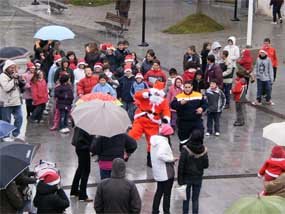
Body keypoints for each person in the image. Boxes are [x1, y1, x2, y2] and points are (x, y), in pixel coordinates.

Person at [129, 82, 171, 167]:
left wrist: (166, 118)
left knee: (152, 142)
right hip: (141, 118)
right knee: (132, 136)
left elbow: (166, 110)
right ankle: (126, 152)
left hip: (153, 122)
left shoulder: (163, 101)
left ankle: (150, 159)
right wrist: (146, 94)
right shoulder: (147, 93)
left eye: (158, 93)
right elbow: (137, 95)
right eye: (155, 92)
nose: (156, 95)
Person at [178, 129, 209, 214]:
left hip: (186, 178)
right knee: (195, 199)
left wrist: (180, 180)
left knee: (186, 200)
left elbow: (181, 166)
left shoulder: (185, 149)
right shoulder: (204, 150)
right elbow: (206, 165)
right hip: (198, 178)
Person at [171, 81, 207, 150]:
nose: (187, 89)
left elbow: (205, 104)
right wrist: (180, 103)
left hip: (196, 121)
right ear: (183, 87)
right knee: (183, 141)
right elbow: (172, 105)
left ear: (192, 87)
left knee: (199, 135)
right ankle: (184, 155)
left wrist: (202, 108)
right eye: (186, 87)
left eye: (189, 87)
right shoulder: (179, 97)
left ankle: (198, 153)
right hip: (183, 122)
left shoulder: (198, 95)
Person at [150, 124, 176, 214]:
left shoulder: (155, 141)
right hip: (166, 172)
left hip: (158, 171)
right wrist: (171, 159)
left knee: (159, 191)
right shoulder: (164, 143)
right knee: (167, 193)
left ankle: (155, 210)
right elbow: (160, 155)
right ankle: (166, 211)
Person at [0, 60, 25, 142]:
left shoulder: (15, 75)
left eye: (14, 67)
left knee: (20, 118)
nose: (13, 69)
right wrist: (13, 80)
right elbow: (6, 88)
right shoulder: (2, 76)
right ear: (6, 68)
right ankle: (5, 135)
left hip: (16, 101)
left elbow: (21, 87)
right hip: (6, 102)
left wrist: (21, 81)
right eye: (11, 67)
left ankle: (15, 134)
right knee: (6, 120)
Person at [70, 127, 94, 202]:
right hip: (84, 148)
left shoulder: (81, 122)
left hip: (79, 147)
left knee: (80, 169)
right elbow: (89, 138)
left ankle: (74, 191)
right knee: (86, 171)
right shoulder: (89, 124)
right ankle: (83, 196)